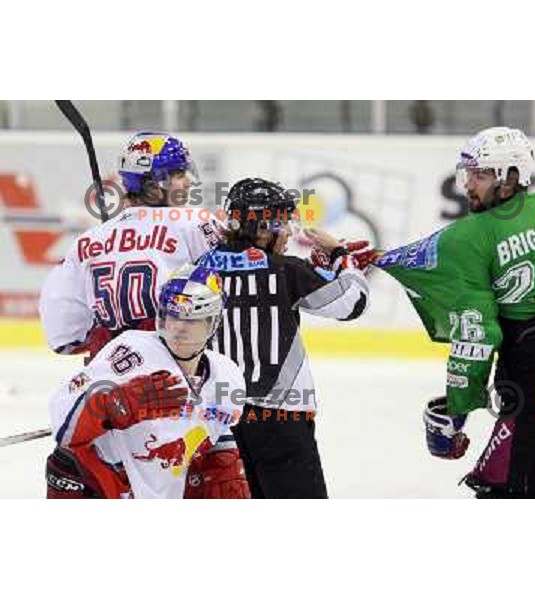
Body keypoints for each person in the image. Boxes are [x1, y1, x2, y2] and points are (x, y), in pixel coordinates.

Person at [376, 126, 535, 498]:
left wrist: (457, 410)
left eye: (479, 175)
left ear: (511, 176)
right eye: (467, 174)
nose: (467, 185)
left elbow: (478, 333)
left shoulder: (470, 234)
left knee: (514, 489)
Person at [40, 131, 248, 498]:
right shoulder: (193, 224)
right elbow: (244, 269)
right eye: (179, 173)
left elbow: (62, 334)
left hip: (114, 394)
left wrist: (108, 337)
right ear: (156, 183)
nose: (187, 181)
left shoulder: (88, 242)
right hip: (181, 390)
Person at [196, 177, 375, 498]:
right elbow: (353, 303)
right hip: (280, 415)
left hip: (219, 419)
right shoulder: (285, 270)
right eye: (282, 222)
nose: (290, 232)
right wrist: (340, 258)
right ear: (262, 228)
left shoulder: (200, 268)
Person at [48, 264, 248, 499]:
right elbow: (63, 422)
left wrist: (223, 471)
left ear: (213, 323)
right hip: (103, 484)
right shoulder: (132, 352)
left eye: (191, 320)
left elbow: (214, 440)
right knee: (65, 464)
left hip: (159, 492)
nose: (178, 328)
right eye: (172, 316)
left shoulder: (227, 377)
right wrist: (110, 404)